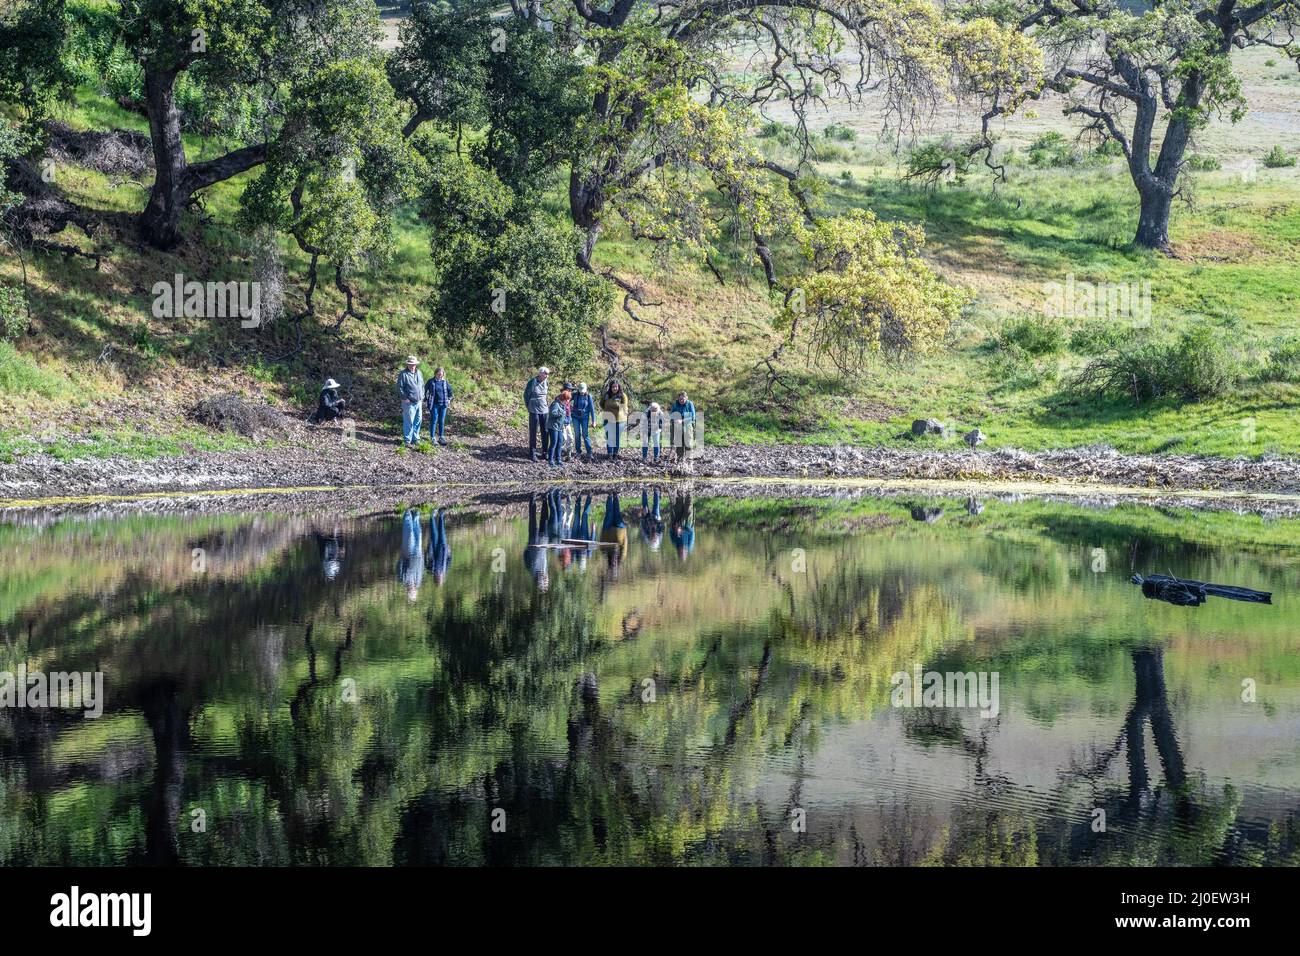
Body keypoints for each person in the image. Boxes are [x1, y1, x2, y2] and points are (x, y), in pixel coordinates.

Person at [524, 366, 551, 461]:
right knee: (533, 432)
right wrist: (529, 406)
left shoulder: (546, 382)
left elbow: (545, 395)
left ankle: (545, 452)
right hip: (534, 410)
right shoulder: (532, 382)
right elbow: (526, 395)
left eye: (548, 374)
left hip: (544, 410)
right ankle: (532, 453)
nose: (547, 376)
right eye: (545, 373)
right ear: (540, 373)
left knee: (545, 431)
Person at [397, 356, 424, 446]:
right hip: (409, 403)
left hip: (419, 402)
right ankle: (407, 440)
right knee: (409, 422)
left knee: (418, 421)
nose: (412, 366)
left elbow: (422, 386)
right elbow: (399, 388)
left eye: (414, 364)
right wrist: (405, 398)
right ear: (407, 364)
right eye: (410, 364)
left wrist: (422, 396)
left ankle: (415, 439)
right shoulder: (403, 374)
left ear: (416, 364)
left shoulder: (419, 373)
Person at [599, 492, 629, 575]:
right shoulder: (622, 555)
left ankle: (609, 496)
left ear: (609, 563)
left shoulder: (605, 553)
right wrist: (624, 533)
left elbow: (601, 541)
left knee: (609, 513)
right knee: (616, 512)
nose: (613, 563)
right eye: (614, 565)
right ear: (617, 565)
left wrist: (604, 531)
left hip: (607, 529)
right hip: (619, 529)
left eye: (612, 565)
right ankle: (615, 496)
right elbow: (625, 543)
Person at [397, 508, 424, 600]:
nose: (412, 590)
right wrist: (422, 557)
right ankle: (416, 516)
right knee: (418, 534)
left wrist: (401, 557)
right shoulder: (418, 581)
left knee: (410, 534)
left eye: (411, 592)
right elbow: (421, 568)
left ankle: (407, 514)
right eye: (413, 592)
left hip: (407, 553)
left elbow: (399, 567)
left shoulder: (403, 579)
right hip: (418, 554)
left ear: (408, 591)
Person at [424, 367, 453, 445]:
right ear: (435, 373)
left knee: (441, 421)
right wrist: (425, 399)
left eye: (441, 374)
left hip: (443, 405)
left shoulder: (445, 382)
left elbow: (450, 392)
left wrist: (449, 399)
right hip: (434, 404)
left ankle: (441, 437)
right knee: (434, 420)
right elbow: (424, 390)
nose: (440, 375)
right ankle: (432, 438)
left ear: (443, 374)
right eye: (438, 374)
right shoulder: (431, 381)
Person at [601, 381, 629, 458]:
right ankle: (610, 453)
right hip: (608, 418)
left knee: (616, 438)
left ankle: (615, 453)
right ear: (611, 387)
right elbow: (601, 404)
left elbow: (625, 407)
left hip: (619, 420)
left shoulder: (622, 396)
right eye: (613, 387)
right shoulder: (606, 395)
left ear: (619, 387)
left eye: (616, 387)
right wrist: (607, 410)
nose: (614, 388)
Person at [425, 508, 452, 585]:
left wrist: (427, 550)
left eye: (438, 579)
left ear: (435, 579)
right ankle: (441, 515)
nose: (439, 577)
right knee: (442, 532)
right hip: (443, 547)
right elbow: (449, 559)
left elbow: (426, 560)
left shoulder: (430, 570)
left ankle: (432, 516)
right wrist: (449, 551)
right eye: (440, 578)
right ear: (442, 578)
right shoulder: (445, 569)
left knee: (434, 532)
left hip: (433, 547)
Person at [546, 387, 571, 466]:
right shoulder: (556, 404)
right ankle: (550, 460)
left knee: (560, 442)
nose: (568, 401)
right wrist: (561, 414)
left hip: (559, 427)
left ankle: (558, 459)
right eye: (567, 399)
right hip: (553, 427)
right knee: (553, 443)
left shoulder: (563, 404)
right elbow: (552, 413)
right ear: (563, 398)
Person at [669, 390, 696, 458]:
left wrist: (682, 420)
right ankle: (680, 460)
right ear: (678, 398)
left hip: (687, 425)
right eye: (680, 399)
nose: (681, 400)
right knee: (679, 444)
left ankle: (689, 459)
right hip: (677, 426)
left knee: (688, 444)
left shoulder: (690, 404)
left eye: (683, 399)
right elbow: (671, 414)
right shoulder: (675, 404)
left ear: (686, 398)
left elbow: (693, 417)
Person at [571, 383, 596, 459]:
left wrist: (593, 421)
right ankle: (578, 451)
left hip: (585, 417)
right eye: (581, 390)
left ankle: (589, 452)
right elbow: (567, 399)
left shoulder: (588, 397)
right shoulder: (575, 395)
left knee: (585, 435)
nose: (582, 392)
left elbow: (592, 409)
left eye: (583, 391)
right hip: (575, 417)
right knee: (577, 434)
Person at [669, 490, 694, 560]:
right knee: (688, 507)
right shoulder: (689, 545)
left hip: (676, 523)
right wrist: (683, 530)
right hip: (688, 524)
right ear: (686, 552)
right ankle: (689, 491)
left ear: (678, 552)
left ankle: (679, 490)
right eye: (683, 552)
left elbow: (671, 531)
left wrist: (675, 528)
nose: (682, 551)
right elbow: (692, 532)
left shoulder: (675, 543)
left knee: (678, 506)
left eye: (680, 552)